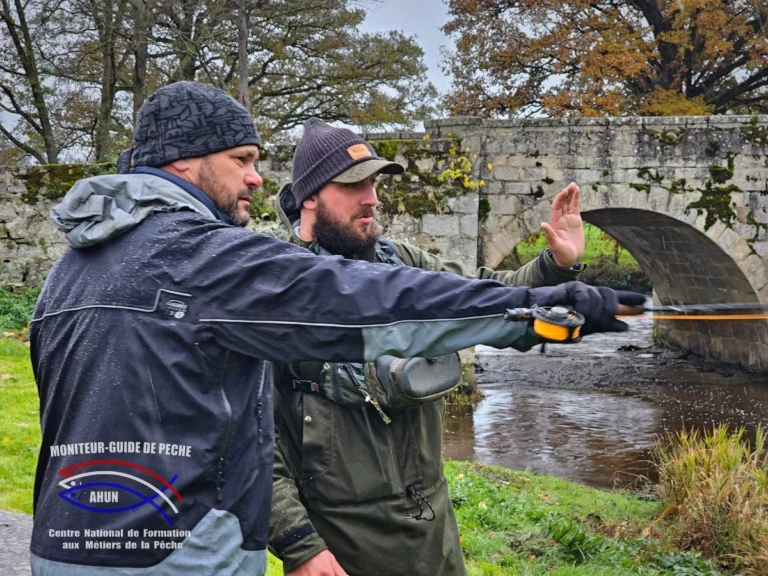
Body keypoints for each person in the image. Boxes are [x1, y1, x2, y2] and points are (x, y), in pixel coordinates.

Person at [29, 82, 641, 576]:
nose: (255, 177)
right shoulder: (211, 262)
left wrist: (549, 274)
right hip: (184, 555)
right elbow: (350, 318)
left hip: (71, 545)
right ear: (185, 160)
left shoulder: (75, 268)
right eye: (241, 160)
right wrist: (540, 309)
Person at [266, 119, 639, 576]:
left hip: (432, 526)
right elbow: (249, 436)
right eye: (354, 185)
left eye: (373, 182)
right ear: (310, 195)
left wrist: (555, 270)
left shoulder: (404, 262)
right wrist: (298, 543)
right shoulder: (277, 289)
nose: (372, 198)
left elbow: (483, 299)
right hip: (343, 541)